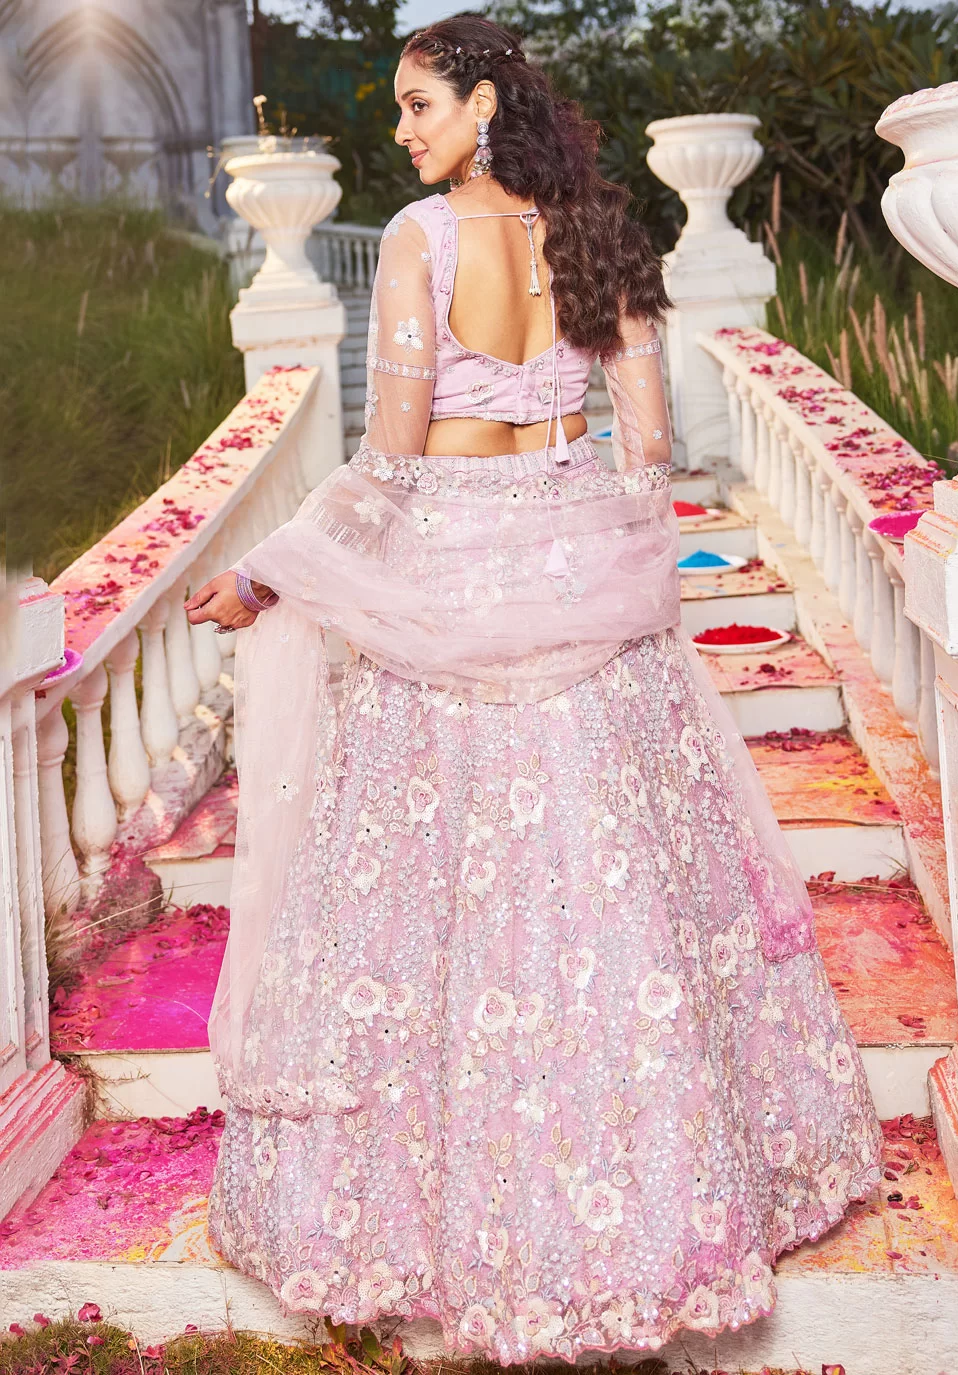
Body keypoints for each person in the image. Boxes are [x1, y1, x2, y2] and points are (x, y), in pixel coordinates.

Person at [184, 14, 882, 1364]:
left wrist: (268, 575)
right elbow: (650, 446)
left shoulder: (419, 241)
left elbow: (389, 461)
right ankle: (654, 1214)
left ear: (485, 102)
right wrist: (590, 548)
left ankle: (438, 1228)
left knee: (426, 912)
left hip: (444, 584)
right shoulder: (600, 231)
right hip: (580, 576)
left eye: (418, 105)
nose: (402, 131)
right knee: (610, 903)